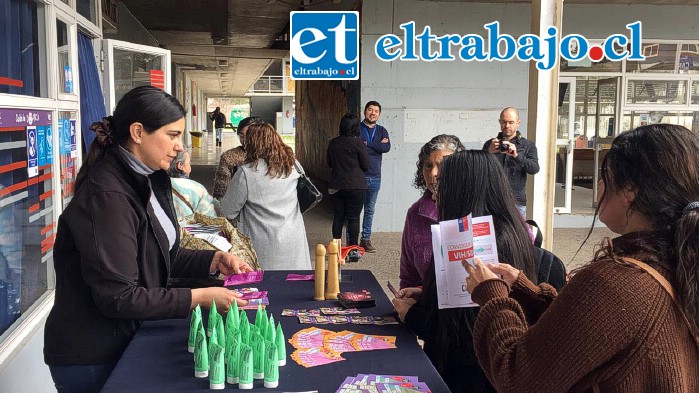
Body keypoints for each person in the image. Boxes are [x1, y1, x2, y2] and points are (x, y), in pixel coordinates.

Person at [44, 86, 253, 393]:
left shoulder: (152, 178)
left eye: (181, 136)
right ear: (138, 132)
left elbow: (159, 251)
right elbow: (119, 296)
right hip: (93, 353)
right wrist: (199, 298)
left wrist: (213, 260)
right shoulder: (107, 196)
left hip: (129, 336)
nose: (179, 147)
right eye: (172, 135)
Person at [466, 124, 699, 392]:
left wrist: (492, 295)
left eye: (605, 176)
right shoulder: (679, 261)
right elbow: (597, 331)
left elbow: (518, 378)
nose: (599, 187)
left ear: (630, 190)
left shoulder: (616, 281)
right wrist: (528, 292)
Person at [392, 150, 566, 393]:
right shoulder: (516, 237)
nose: (435, 194)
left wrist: (411, 315)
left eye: (442, 185)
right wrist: (427, 294)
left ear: (461, 191)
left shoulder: (468, 247)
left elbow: (462, 337)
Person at [220, 123, 311, 270]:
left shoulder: (246, 173)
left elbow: (228, 210)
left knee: (263, 287)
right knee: (294, 283)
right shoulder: (292, 165)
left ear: (252, 143)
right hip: (293, 239)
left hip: (261, 245)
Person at [399, 134, 464, 289]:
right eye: (428, 165)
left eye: (441, 165)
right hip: (429, 308)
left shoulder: (479, 207)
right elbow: (409, 277)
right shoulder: (416, 214)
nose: (433, 173)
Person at [483, 107, 539, 217]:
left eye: (511, 122)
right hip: (492, 199)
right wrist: (488, 152)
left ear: (518, 123)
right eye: (504, 122)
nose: (507, 126)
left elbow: (534, 169)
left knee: (515, 234)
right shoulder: (490, 144)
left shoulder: (528, 145)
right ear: (500, 122)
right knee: (493, 233)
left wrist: (516, 155)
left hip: (516, 201)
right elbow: (479, 169)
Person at [327, 114, 369, 253]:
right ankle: (352, 251)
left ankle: (336, 250)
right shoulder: (358, 144)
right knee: (353, 218)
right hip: (356, 185)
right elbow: (366, 165)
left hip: (336, 185)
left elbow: (329, 163)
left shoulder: (333, 143)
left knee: (338, 216)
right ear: (356, 127)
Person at [358, 100, 391, 253]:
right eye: (370, 110)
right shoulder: (357, 128)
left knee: (369, 210)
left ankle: (365, 239)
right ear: (365, 111)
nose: (373, 113)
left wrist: (367, 145)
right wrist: (375, 145)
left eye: (376, 111)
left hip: (375, 176)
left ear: (379, 114)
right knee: (355, 209)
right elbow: (357, 147)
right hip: (358, 176)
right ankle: (352, 240)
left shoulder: (382, 130)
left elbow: (386, 147)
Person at [212, 116, 264, 199]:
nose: (245, 140)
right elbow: (221, 191)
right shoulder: (229, 157)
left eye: (250, 135)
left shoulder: (273, 156)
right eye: (242, 136)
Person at [167, 150, 219, 223]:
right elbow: (211, 221)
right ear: (180, 166)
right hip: (187, 233)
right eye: (189, 163)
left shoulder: (155, 186)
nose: (190, 168)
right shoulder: (198, 189)